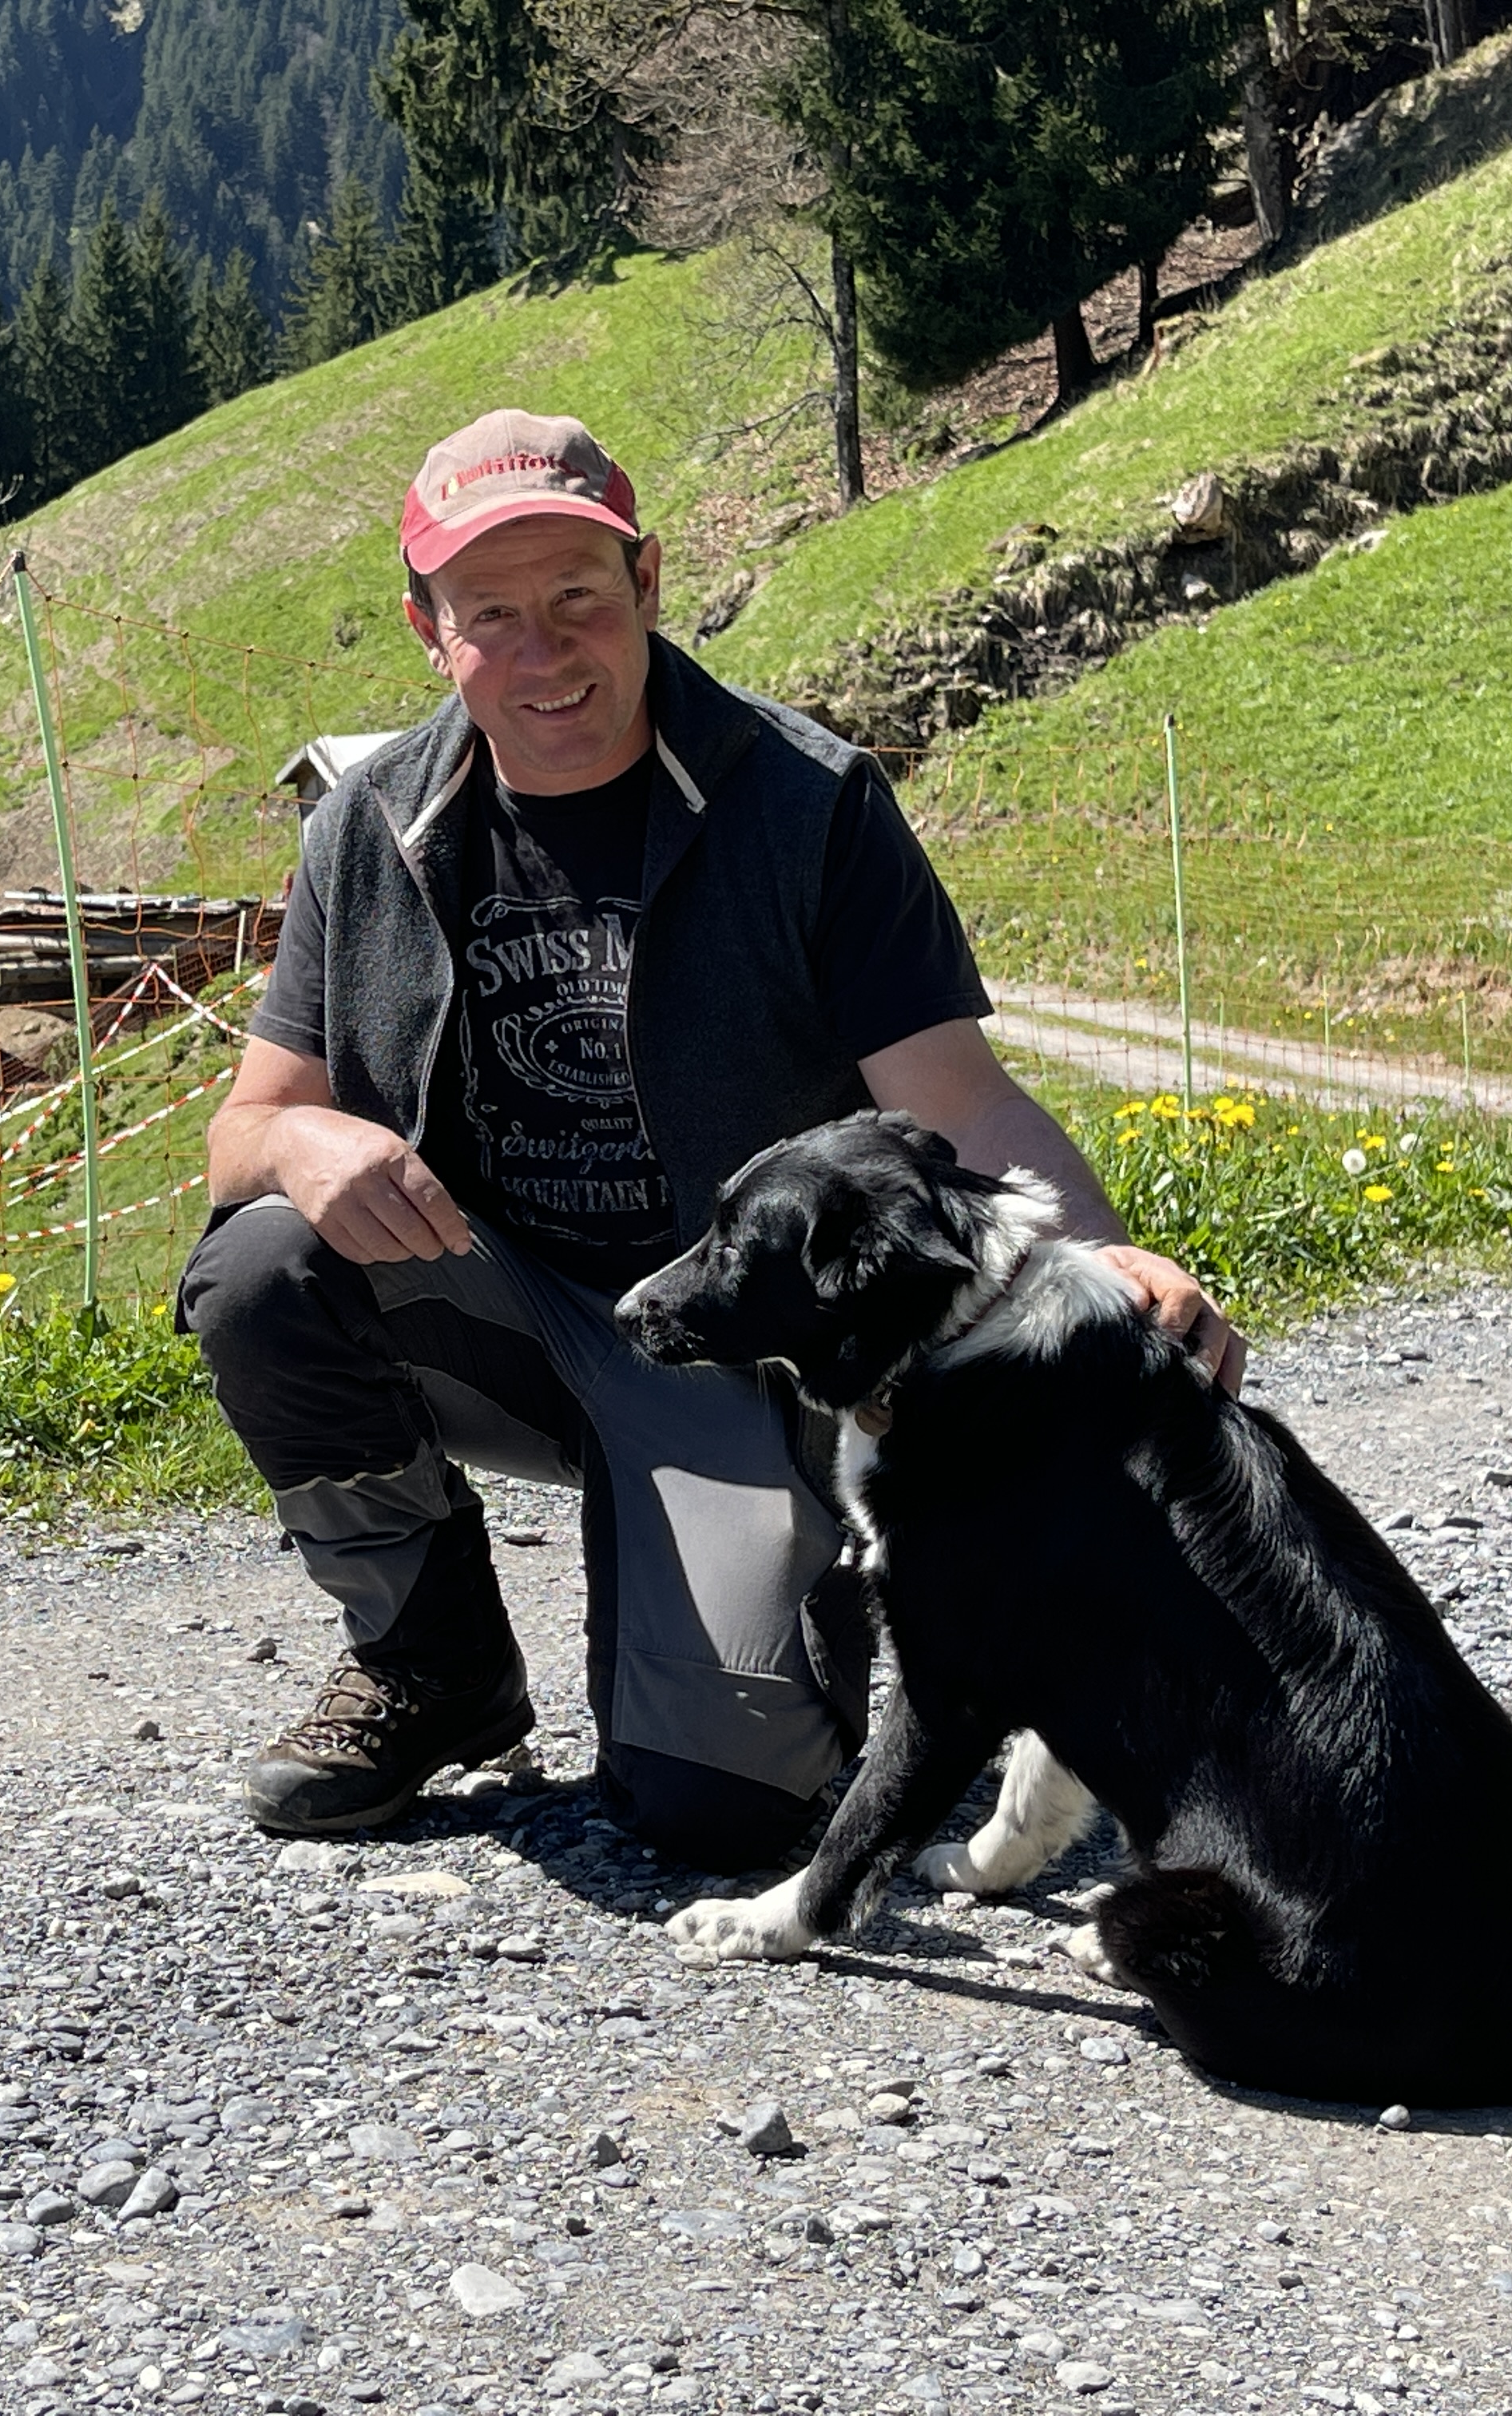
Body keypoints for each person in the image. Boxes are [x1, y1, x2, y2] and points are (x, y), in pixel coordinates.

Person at [177, 409, 1242, 1867]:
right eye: (495, 614)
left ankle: (837, 1579)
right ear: (429, 629)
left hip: (744, 1357)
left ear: (649, 586)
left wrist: (1096, 1265)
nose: (547, 654)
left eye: (580, 601)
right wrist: (304, 1149)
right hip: (507, 1314)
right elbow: (246, 1132)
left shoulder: (806, 806)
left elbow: (965, 1103)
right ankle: (432, 1663)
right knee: (261, 1268)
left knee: (723, 1812)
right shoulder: (368, 823)